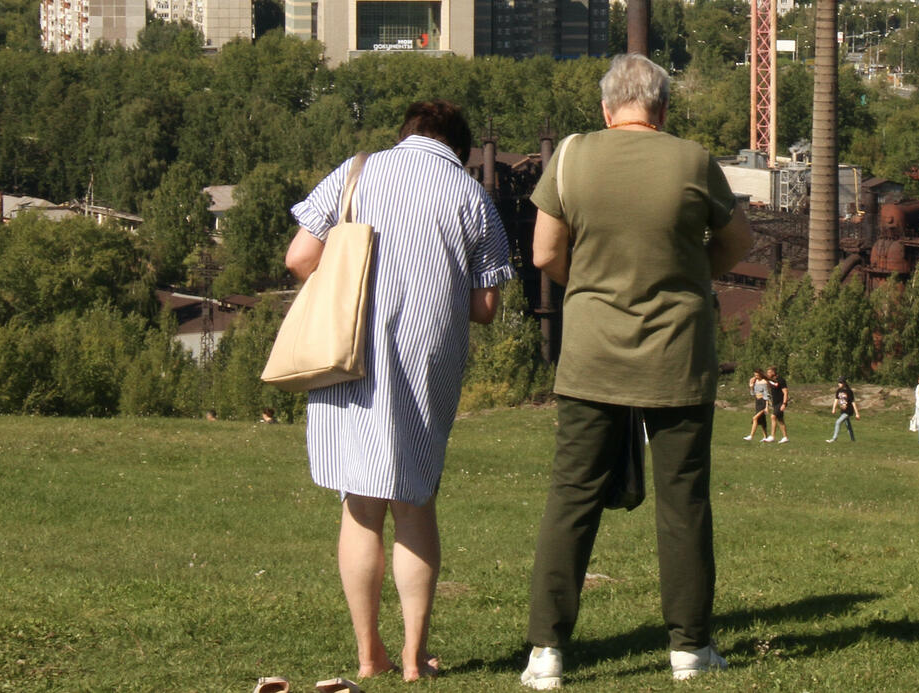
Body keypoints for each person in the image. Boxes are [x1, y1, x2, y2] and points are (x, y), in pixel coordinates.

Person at [523, 55, 753, 688]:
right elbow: (739, 243)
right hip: (677, 353)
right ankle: (689, 647)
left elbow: (545, 251)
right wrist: (682, 273)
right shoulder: (693, 161)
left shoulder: (570, 157)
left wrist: (592, 286)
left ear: (605, 109)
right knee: (684, 500)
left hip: (592, 352)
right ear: (663, 109)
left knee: (572, 497)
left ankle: (546, 651)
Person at [285, 100, 514, 682]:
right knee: (415, 502)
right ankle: (414, 659)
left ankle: (369, 657)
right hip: (427, 355)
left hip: (351, 348)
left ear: (407, 134)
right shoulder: (471, 196)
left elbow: (299, 256)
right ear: (459, 148)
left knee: (361, 505)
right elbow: (485, 308)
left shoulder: (358, 170)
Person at [764, 366, 790, 443]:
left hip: (781, 402)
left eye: (769, 372)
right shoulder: (771, 380)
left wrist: (784, 403)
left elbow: (785, 392)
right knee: (780, 420)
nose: (767, 374)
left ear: (773, 372)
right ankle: (785, 437)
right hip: (775, 403)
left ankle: (772, 436)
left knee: (773, 417)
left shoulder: (781, 380)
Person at [744, 369, 770, 441]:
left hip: (763, 402)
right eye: (755, 375)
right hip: (757, 401)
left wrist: (767, 407)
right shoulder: (755, 381)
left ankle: (751, 436)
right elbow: (752, 394)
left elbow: (766, 394)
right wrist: (751, 386)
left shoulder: (764, 382)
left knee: (755, 418)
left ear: (761, 374)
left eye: (757, 375)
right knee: (761, 420)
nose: (756, 376)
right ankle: (765, 437)